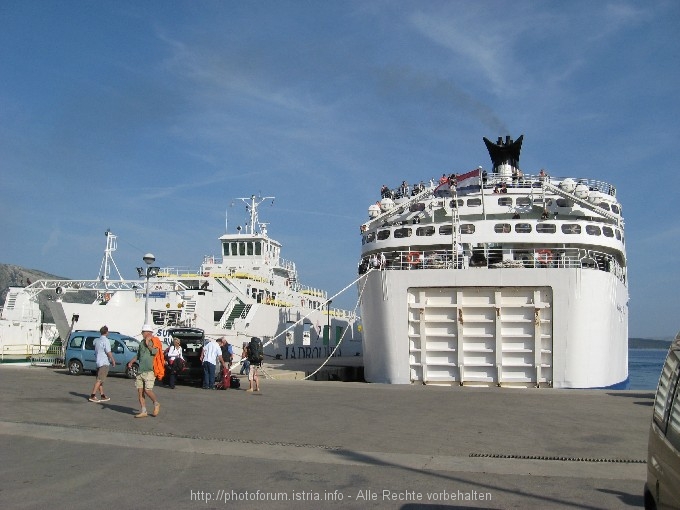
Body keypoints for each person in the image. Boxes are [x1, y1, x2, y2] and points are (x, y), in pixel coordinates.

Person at [127, 325, 161, 418]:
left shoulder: (155, 341)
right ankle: (144, 411)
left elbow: (155, 352)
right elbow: (138, 355)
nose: (142, 333)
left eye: (143, 332)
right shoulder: (141, 343)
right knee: (140, 391)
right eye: (142, 332)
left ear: (149, 333)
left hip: (150, 371)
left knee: (147, 390)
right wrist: (131, 362)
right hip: (140, 370)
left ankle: (156, 403)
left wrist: (148, 343)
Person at [89, 326, 115, 402]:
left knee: (100, 380)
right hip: (104, 362)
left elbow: (96, 352)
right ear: (106, 332)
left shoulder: (97, 341)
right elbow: (108, 351)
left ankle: (102, 395)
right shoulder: (106, 341)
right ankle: (92, 395)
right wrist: (113, 360)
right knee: (100, 380)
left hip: (98, 362)